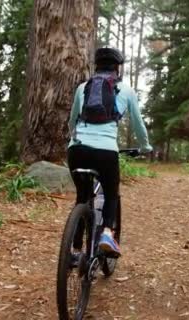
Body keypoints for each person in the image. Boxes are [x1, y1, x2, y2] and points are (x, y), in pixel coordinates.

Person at [67, 47, 153, 256]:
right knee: (111, 193)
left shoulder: (83, 88)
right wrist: (145, 146)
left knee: (82, 196)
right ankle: (107, 232)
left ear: (96, 67)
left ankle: (76, 248)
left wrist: (74, 138)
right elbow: (139, 125)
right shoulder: (126, 91)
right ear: (118, 68)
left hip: (77, 150)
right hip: (106, 152)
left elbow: (72, 120)